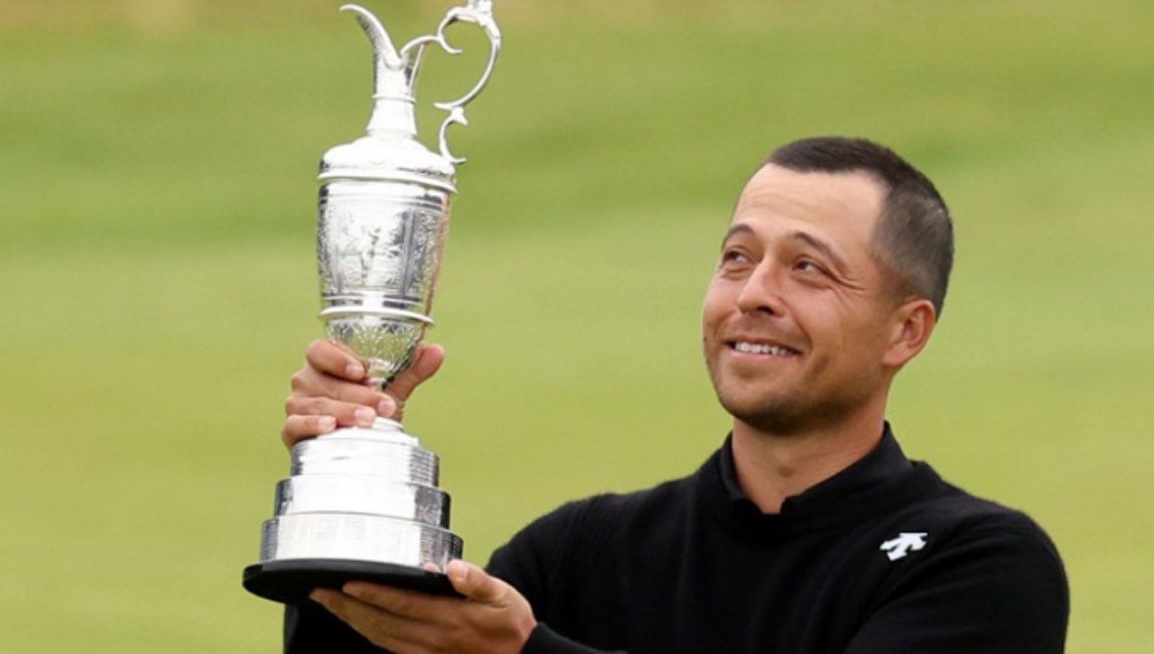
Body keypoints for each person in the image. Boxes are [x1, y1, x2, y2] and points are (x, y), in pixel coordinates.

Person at [278, 137, 1070, 653]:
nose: (754, 292)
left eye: (807, 268)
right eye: (736, 256)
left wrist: (526, 652)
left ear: (907, 330)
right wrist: (343, 478)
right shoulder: (589, 549)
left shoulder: (982, 564)